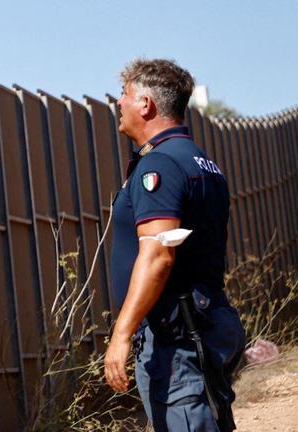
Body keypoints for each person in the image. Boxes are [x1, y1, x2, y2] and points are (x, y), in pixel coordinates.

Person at [104, 58, 246, 432]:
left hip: (177, 336)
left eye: (125, 94)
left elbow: (158, 257)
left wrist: (122, 333)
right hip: (204, 320)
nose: (119, 102)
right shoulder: (200, 160)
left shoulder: (160, 166)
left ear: (146, 104)